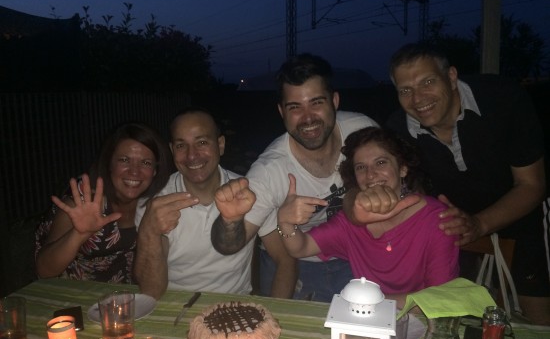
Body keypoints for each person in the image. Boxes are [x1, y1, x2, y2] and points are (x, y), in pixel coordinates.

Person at [382, 42, 550, 324]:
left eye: (428, 82)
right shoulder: (398, 129)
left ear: (451, 77)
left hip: (520, 210)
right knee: (457, 318)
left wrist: (480, 224)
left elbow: (532, 185)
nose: (418, 98)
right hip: (455, 224)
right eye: (405, 90)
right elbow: (413, 191)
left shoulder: (503, 99)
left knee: (538, 317)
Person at [211, 53, 378, 302]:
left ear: (334, 101)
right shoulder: (270, 171)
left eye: (316, 103)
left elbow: (398, 178)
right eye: (295, 107)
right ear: (282, 112)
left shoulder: (362, 130)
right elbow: (228, 245)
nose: (308, 117)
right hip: (297, 260)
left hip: (356, 253)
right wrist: (230, 220)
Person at [277, 126, 459, 308]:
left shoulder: (436, 218)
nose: (370, 174)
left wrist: (370, 302)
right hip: (369, 315)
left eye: (381, 163)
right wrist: (285, 221)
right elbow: (301, 247)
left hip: (421, 319)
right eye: (361, 167)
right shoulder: (352, 221)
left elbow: (441, 298)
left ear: (402, 168)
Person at [133, 108, 256, 299]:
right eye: (181, 145)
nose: (191, 155)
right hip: (174, 305)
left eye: (202, 142)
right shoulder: (154, 203)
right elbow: (151, 291)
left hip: (236, 303)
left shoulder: (248, 192)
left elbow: (282, 257)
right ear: (172, 150)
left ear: (220, 145)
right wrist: (149, 230)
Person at [35, 122, 172, 283]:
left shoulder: (154, 203)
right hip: (73, 292)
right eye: (124, 160)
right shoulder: (84, 202)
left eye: (146, 162)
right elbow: (44, 270)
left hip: (124, 293)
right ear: (109, 164)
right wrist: (79, 234)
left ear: (155, 170)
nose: (134, 171)